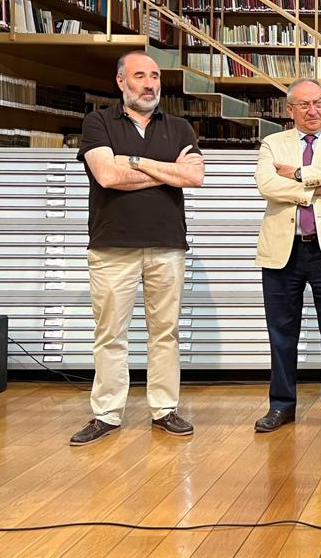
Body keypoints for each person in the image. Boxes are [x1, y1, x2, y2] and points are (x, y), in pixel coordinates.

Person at [70, 51, 205, 446]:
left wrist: (135, 162)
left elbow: (195, 176)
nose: (149, 84)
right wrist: (166, 171)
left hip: (167, 245)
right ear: (121, 81)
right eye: (140, 76)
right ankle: (107, 413)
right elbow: (107, 176)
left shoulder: (179, 127)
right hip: (112, 246)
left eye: (155, 76)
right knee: (110, 334)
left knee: (165, 332)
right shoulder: (98, 122)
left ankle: (164, 409)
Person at [254, 78, 321, 435]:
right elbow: (267, 185)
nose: (313, 111)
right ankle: (281, 405)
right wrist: (314, 190)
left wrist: (297, 174)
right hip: (283, 252)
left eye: (318, 103)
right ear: (290, 110)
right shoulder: (273, 143)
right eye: (304, 105)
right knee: (281, 333)